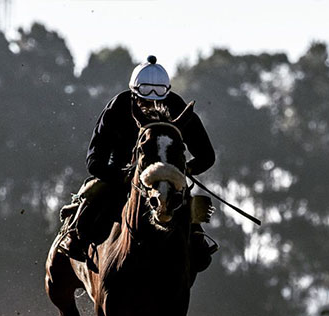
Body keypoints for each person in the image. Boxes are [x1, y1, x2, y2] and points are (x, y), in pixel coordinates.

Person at [57, 55, 218, 272]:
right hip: (119, 175)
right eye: (144, 99)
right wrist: (120, 175)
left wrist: (182, 170)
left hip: (166, 178)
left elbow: (207, 156)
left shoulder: (178, 107)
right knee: (93, 191)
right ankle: (75, 237)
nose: (152, 105)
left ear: (167, 94)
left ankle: (198, 243)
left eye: (158, 100)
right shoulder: (116, 107)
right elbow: (94, 160)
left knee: (186, 205)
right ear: (133, 94)